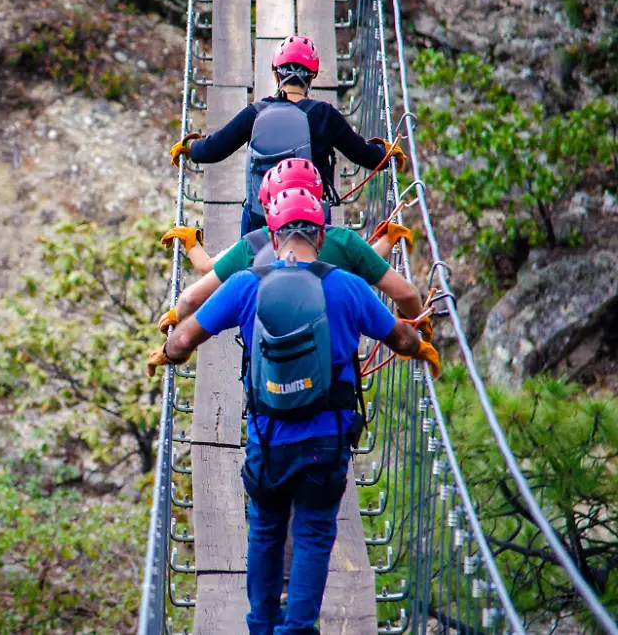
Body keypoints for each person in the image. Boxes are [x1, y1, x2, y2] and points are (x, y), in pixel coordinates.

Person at [147, 187, 440, 635]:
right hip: (328, 441)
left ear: (274, 234)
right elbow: (401, 338)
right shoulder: (347, 287)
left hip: (269, 439)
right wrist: (422, 348)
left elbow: (185, 339)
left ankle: (261, 625)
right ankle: (299, 628)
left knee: (265, 529)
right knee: (315, 532)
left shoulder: (248, 284)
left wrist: (165, 353)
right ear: (320, 235)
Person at [168, 35, 408, 236]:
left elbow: (215, 148)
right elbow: (362, 154)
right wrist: (387, 154)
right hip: (310, 220)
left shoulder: (255, 113)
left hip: (259, 220)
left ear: (276, 75)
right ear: (312, 77)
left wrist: (190, 148)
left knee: (248, 275)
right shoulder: (325, 115)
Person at [158, 159, 427, 336]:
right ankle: (389, 237)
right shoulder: (343, 240)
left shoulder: (252, 246)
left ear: (268, 205)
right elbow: (387, 284)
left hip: (273, 373)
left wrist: (175, 314)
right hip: (335, 373)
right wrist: (414, 322)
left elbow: (196, 291)